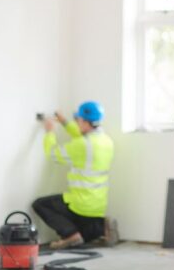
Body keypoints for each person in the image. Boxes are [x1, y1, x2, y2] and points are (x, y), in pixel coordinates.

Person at [32, 101, 114, 250]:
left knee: (40, 204)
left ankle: (70, 235)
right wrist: (64, 122)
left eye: (78, 120)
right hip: (98, 206)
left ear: (84, 121)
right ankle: (101, 229)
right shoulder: (106, 141)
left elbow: (53, 155)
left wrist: (49, 132)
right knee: (86, 233)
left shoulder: (82, 145)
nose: (76, 123)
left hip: (81, 204)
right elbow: (80, 134)